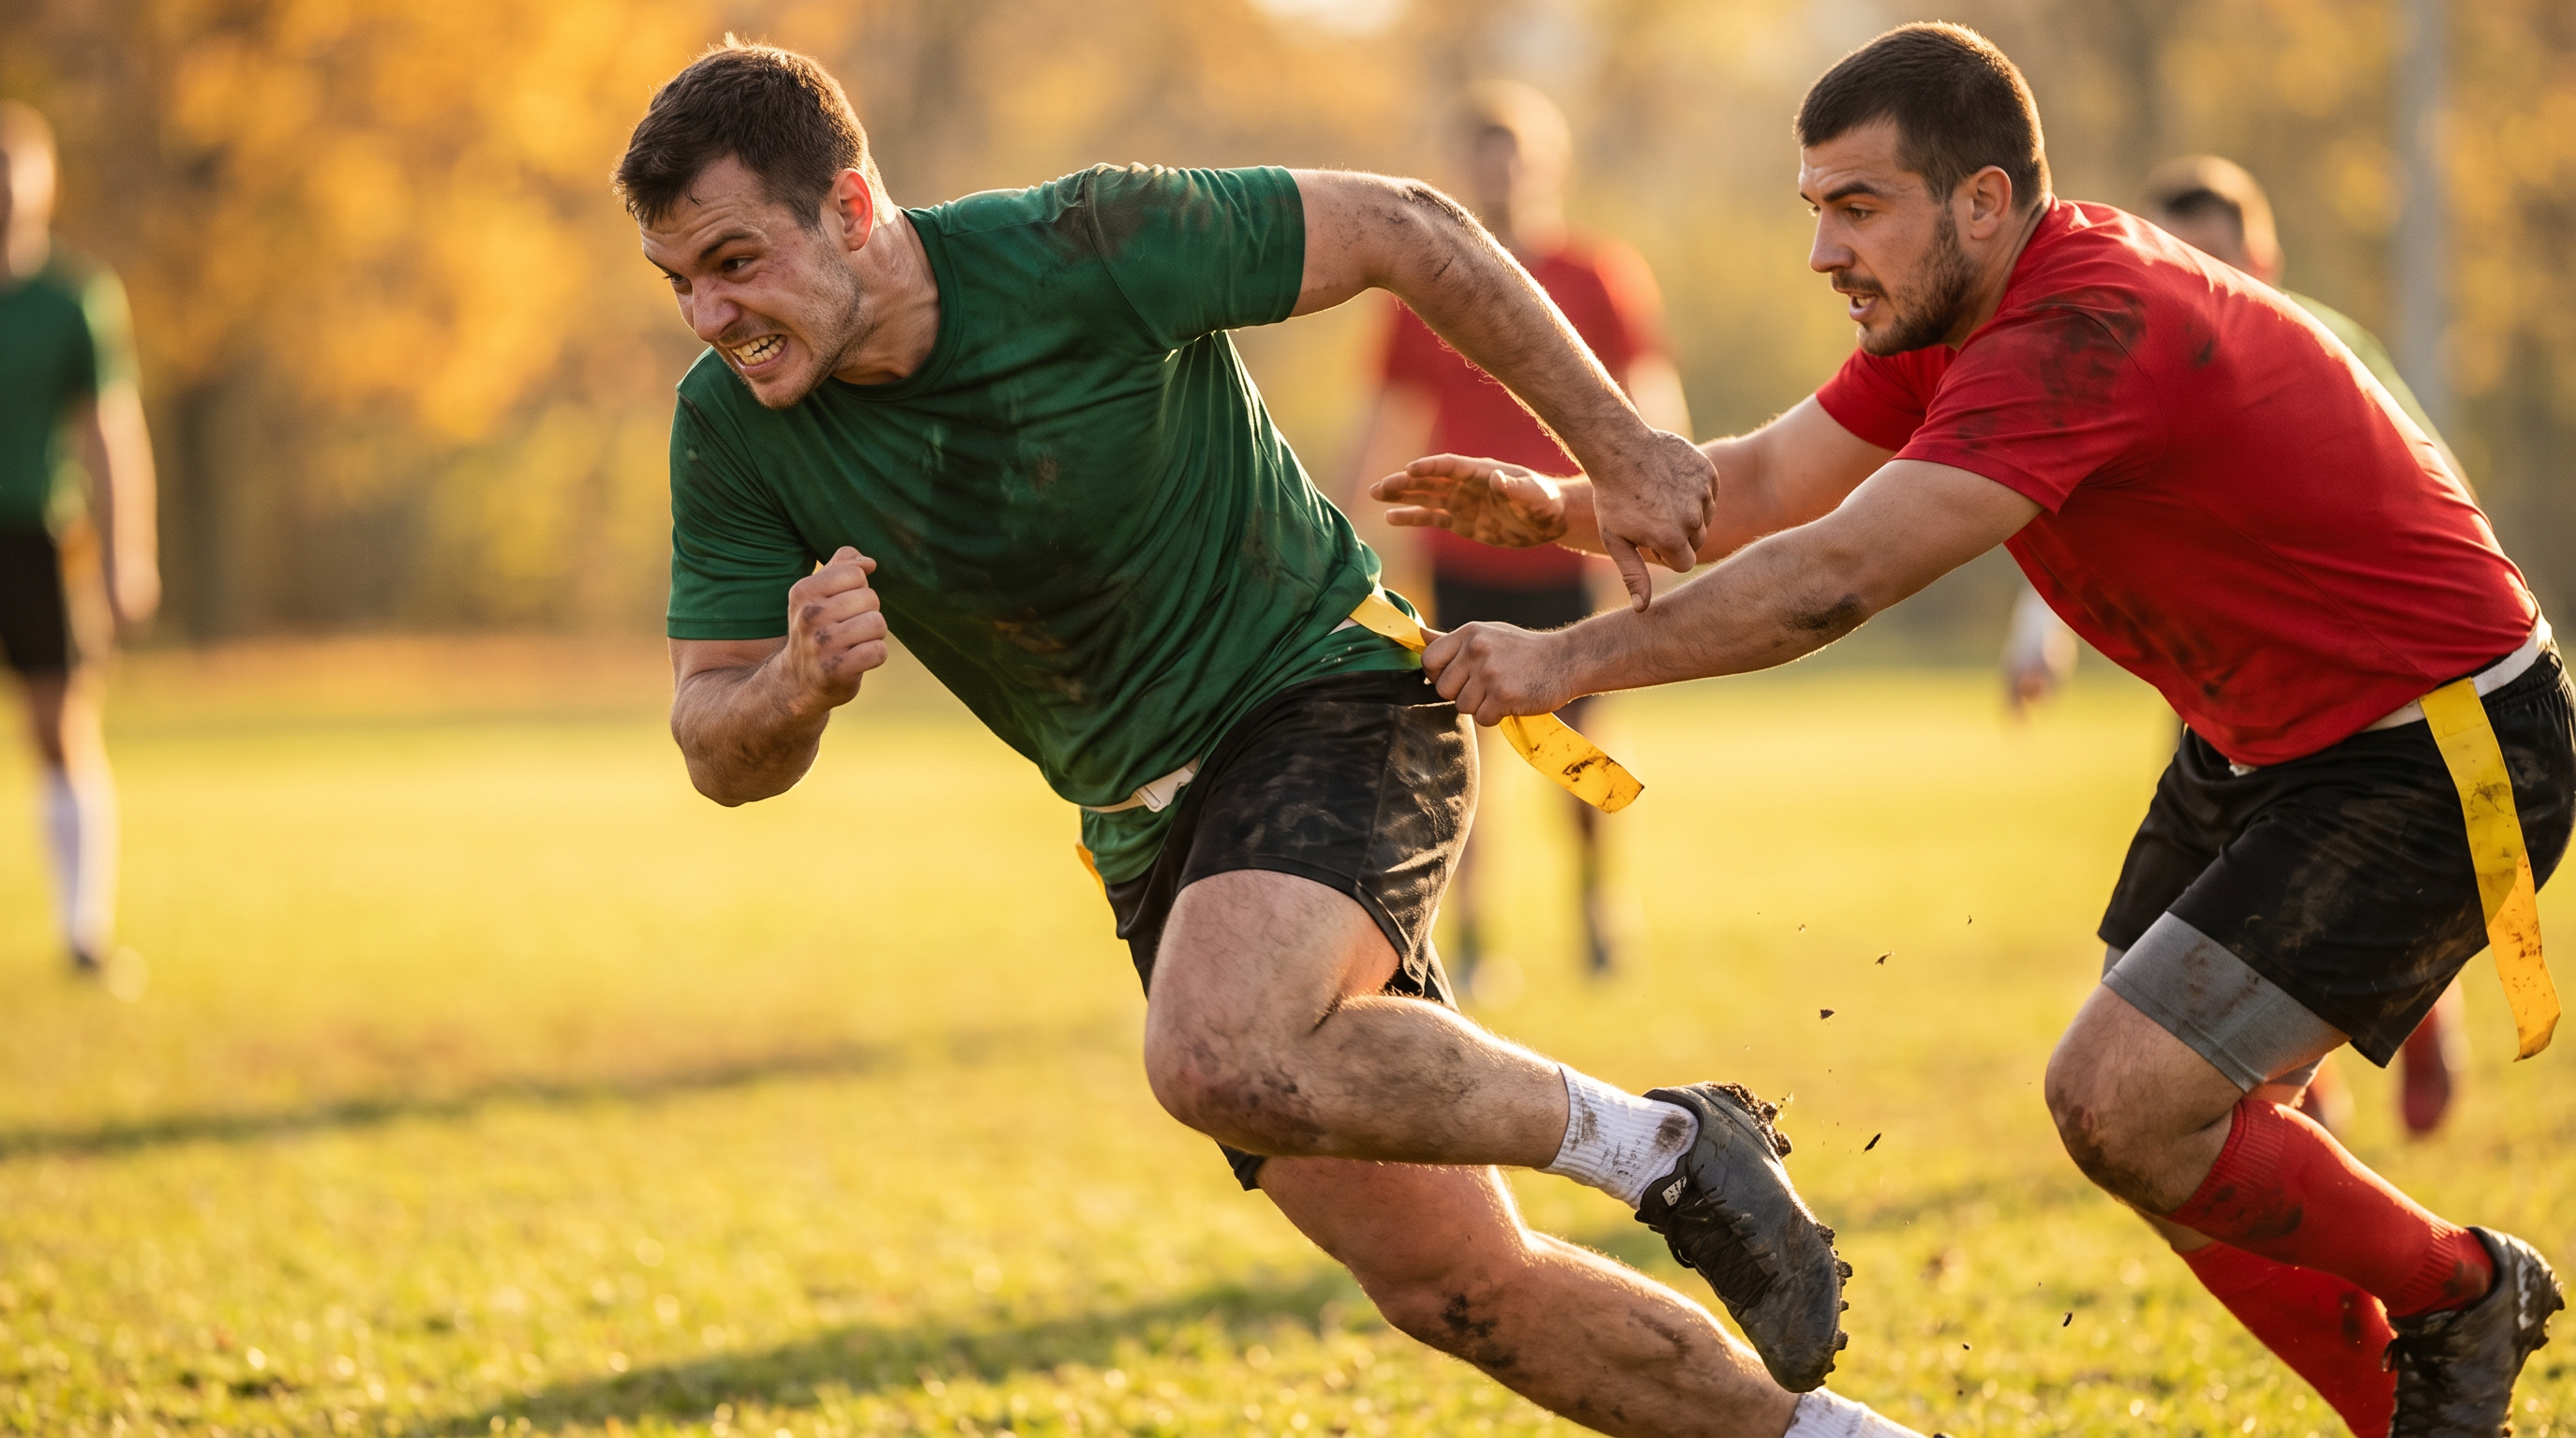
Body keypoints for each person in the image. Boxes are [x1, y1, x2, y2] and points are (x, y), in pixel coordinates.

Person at [612, 40, 1914, 1438]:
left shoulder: (1087, 244)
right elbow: (715, 739)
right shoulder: (731, 433)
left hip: (1327, 698)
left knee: (1214, 1054)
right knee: (1454, 1285)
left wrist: (1618, 446)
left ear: (854, 210)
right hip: (1150, 836)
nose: (708, 313)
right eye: (680, 281)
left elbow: (1405, 228)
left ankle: (1665, 1151)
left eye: (736, 261)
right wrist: (795, 685)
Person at [1380, 22, 2565, 1437]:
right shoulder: (1951, 317)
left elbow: (1829, 581)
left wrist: (1559, 652)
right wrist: (1567, 509)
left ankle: (2459, 1291)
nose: (1824, 251)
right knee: (2164, 1127)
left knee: (2129, 1105)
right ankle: (2413, 1404)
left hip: (2430, 740)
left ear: (1985, 200)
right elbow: (1762, 481)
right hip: (2272, 741)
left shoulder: (2076, 323)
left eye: (1859, 207)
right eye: (1814, 208)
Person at [2002, 153, 2475, 1144]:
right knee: (2233, 870)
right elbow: (2060, 503)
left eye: (2215, 255)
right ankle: (2301, 1087)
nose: (2194, 274)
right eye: (2175, 253)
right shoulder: (2130, 358)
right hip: (2212, 676)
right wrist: (2037, 637)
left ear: (2262, 253)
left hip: (2346, 670)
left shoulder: (2321, 343)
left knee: (2351, 861)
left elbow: (2433, 487)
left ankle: (2417, 1014)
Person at [1348, 81, 1689, 982]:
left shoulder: (1597, 275)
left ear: (1548, 167)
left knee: (1577, 750)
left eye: (1519, 157)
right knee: (1461, 762)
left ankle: (1597, 910)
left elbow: (1651, 403)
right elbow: (1385, 417)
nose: (1503, 174)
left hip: (1570, 546)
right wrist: (1345, 537)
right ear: (1467, 170)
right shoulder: (1421, 287)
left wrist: (1661, 513)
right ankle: (1466, 940)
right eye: (1486, 157)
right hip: (1460, 555)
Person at [0, 101, 156, 990]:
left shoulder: (73, 298)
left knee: (62, 727)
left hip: (37, 532)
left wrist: (129, 549)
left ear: (41, 183)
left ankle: (82, 930)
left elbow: (109, 429)